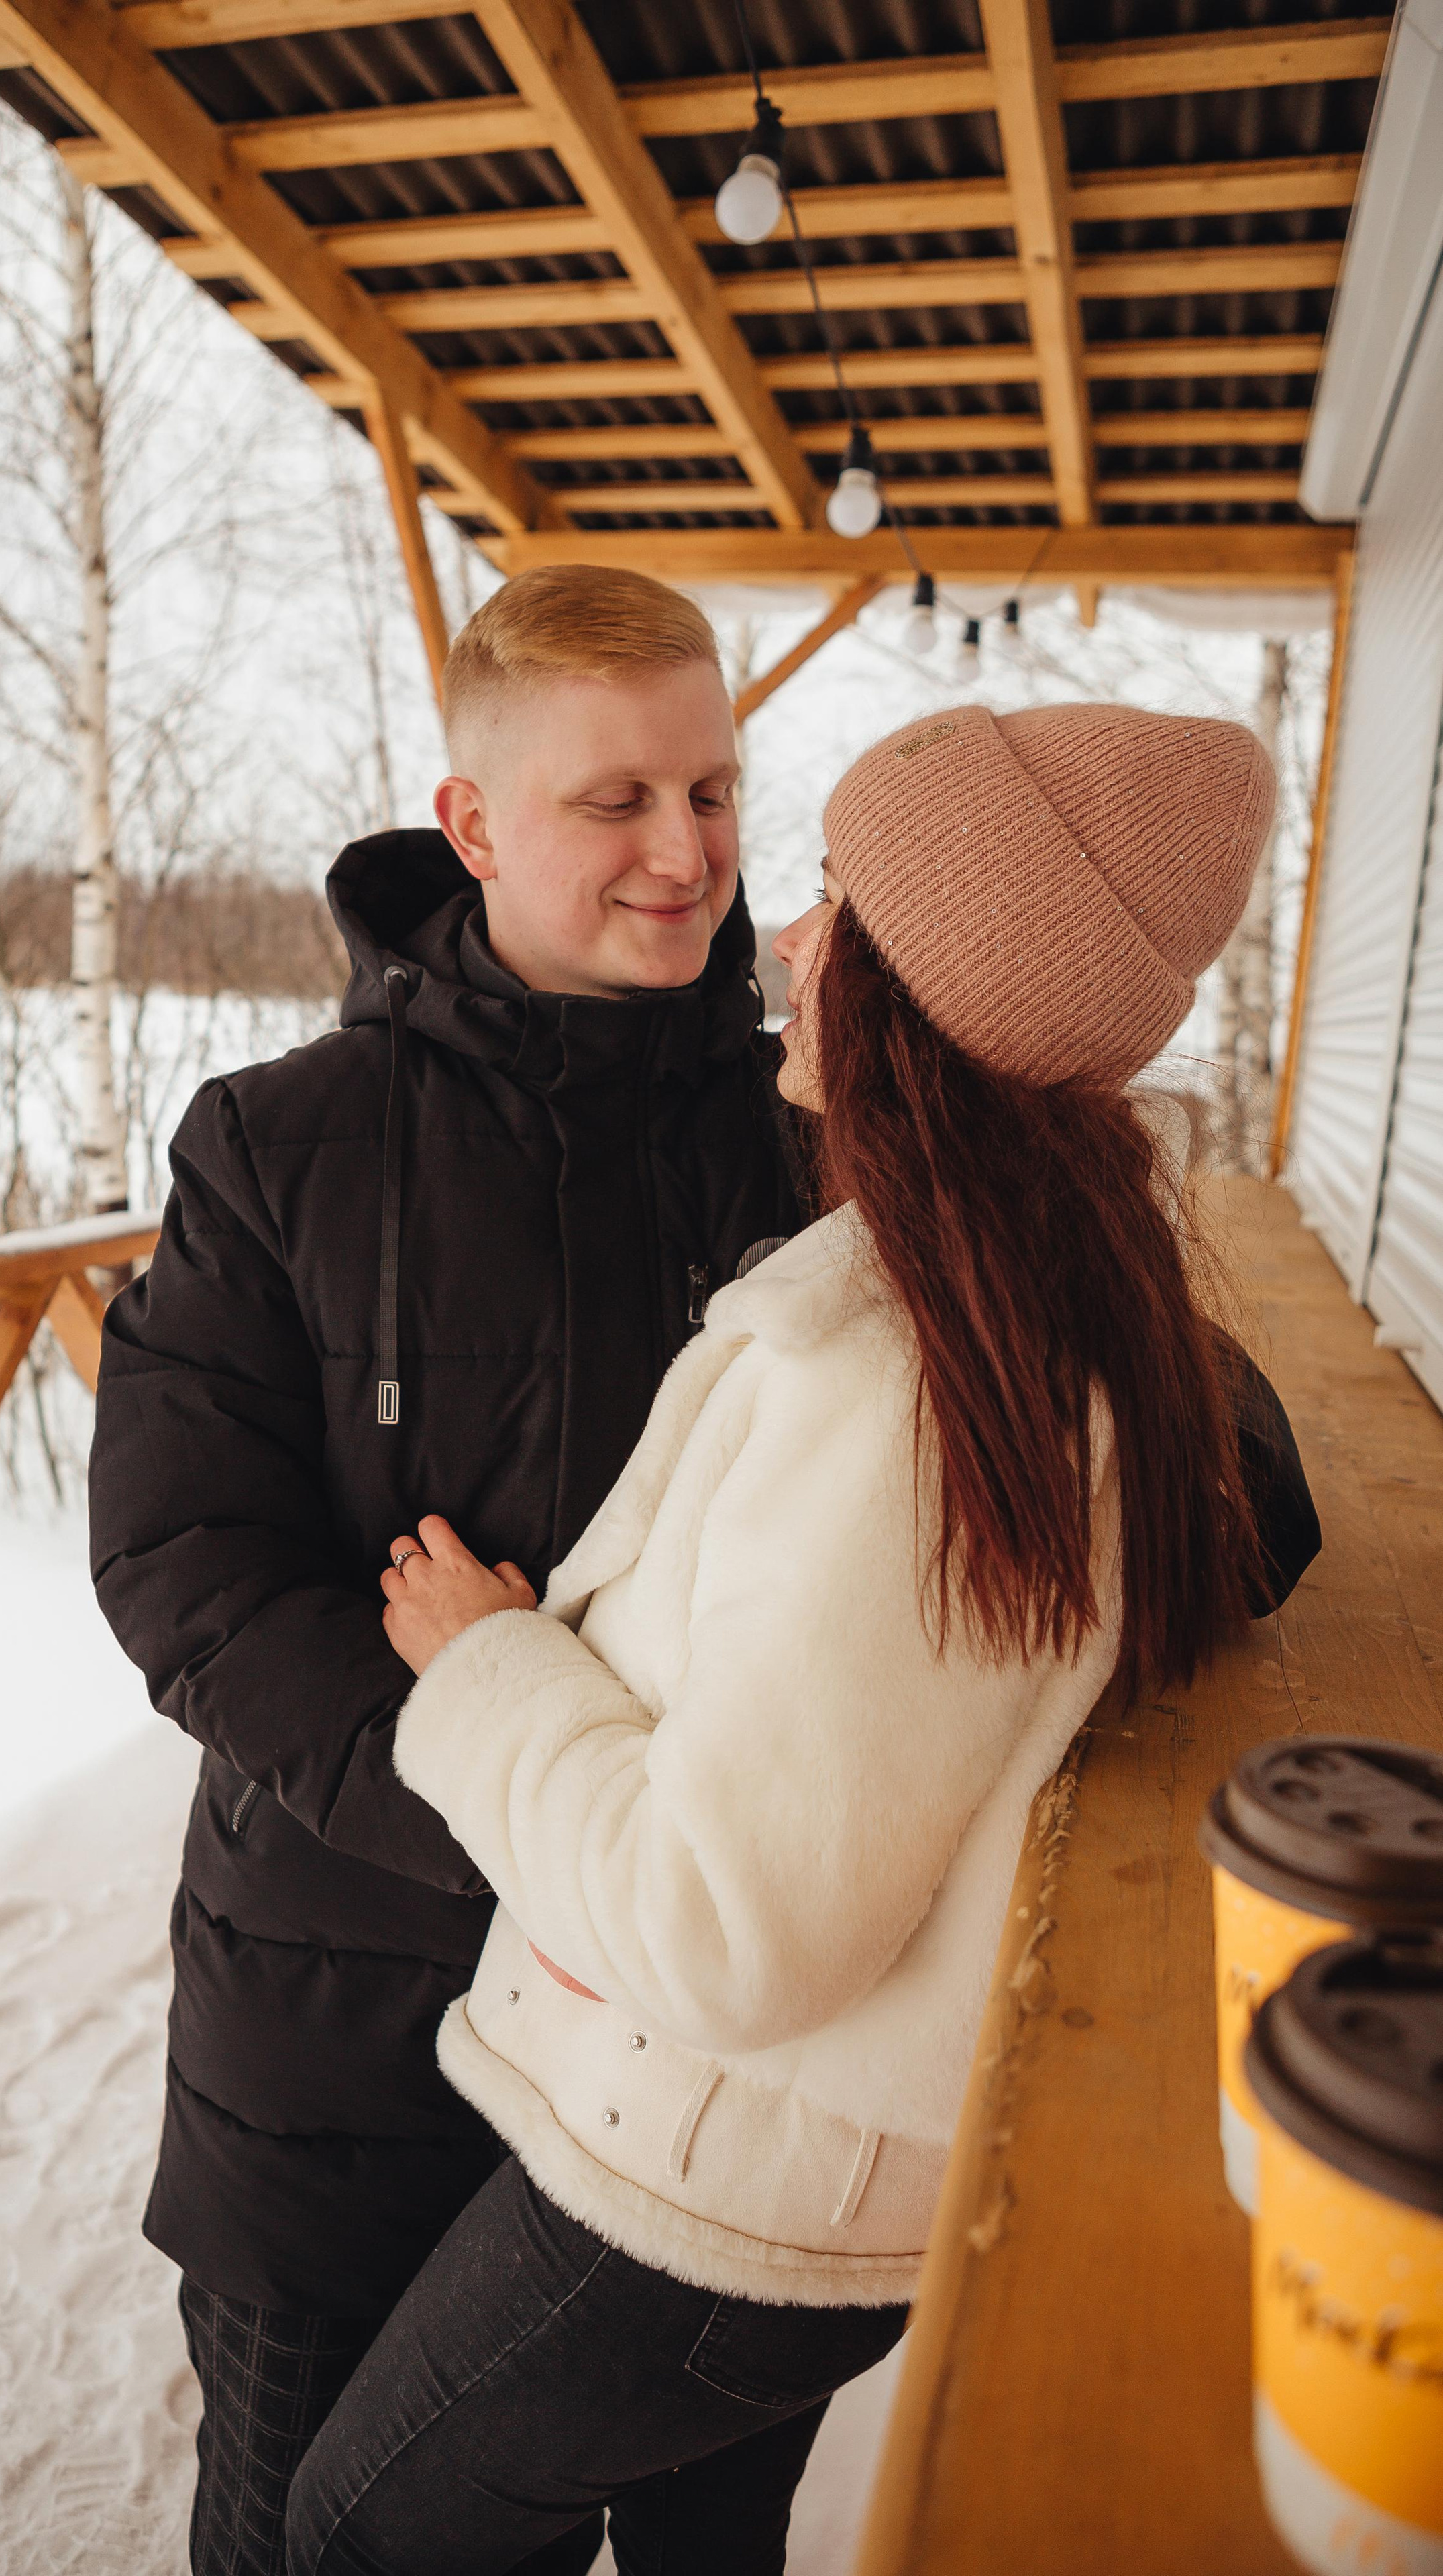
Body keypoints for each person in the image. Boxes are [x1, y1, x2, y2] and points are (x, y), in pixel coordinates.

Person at [89, 585, 1315, 2576]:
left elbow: (1222, 1476)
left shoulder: (847, 1128)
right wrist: (519, 1818)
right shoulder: (281, 1147)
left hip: (686, 2071)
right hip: (342, 2043)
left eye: (718, 787)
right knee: (316, 2532)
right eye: (618, 799)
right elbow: (183, 1562)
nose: (691, 853)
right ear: (473, 825)